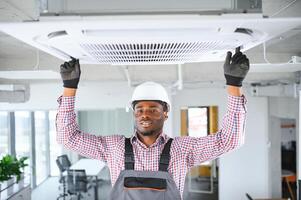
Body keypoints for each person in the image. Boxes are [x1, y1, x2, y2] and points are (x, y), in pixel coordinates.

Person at [56, 48, 249, 200]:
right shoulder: (113, 147)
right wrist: (69, 89)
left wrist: (234, 85)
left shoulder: (182, 149)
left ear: (165, 114)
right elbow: (67, 137)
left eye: (153, 109)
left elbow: (229, 140)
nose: (145, 115)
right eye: (139, 110)